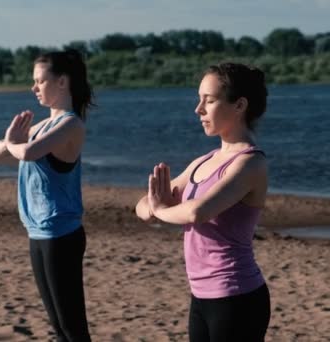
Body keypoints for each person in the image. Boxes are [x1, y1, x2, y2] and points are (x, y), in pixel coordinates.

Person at [135, 63, 271, 341]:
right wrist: (155, 208)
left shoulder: (250, 163)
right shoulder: (204, 162)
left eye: (208, 101)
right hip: (201, 295)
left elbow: (198, 211)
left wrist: (160, 209)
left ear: (239, 105)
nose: (198, 109)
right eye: (199, 100)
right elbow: (142, 206)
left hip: (236, 296)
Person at [0, 50, 93, 342]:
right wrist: (8, 141)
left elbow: (28, 151)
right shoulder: (43, 126)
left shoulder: (70, 124)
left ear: (62, 82)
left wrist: (12, 143)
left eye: (40, 81)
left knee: (73, 327)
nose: (34, 88)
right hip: (37, 233)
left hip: (62, 235)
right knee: (59, 327)